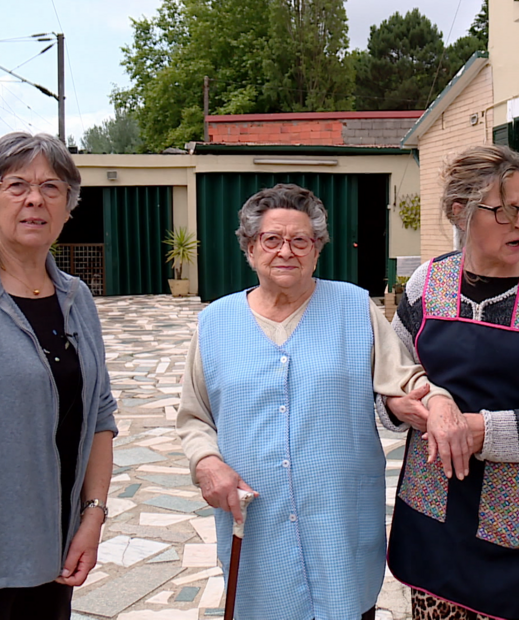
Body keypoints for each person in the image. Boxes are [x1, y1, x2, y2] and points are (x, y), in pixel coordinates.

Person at [176, 183, 467, 620]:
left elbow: (407, 379)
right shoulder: (215, 323)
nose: (285, 252)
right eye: (271, 240)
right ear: (251, 249)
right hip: (258, 532)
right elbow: (194, 415)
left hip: (339, 527)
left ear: (317, 250)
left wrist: (438, 402)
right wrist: (205, 462)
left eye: (300, 240)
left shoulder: (354, 307)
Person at [382, 145, 519, 620]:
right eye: (504, 209)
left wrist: (482, 432)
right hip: (435, 501)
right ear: (460, 212)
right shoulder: (428, 283)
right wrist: (399, 406)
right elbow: (387, 374)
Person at [0, 132, 117, 620]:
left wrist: (92, 517)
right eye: (16, 184)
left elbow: (100, 414)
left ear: (67, 208)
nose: (35, 199)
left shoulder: (77, 298)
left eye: (52, 187)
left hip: (56, 552)